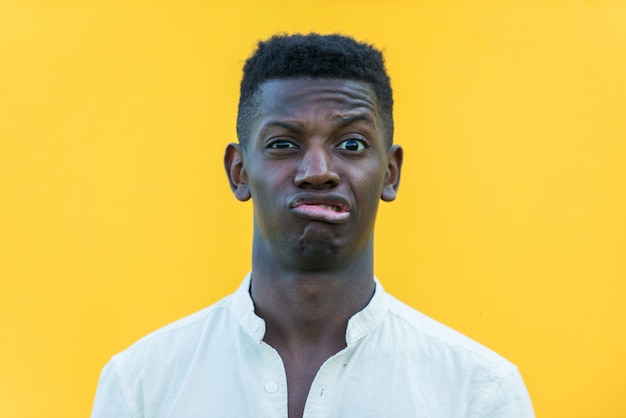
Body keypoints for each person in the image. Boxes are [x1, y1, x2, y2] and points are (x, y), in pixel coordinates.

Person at [91, 33, 535, 418]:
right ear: (239, 172)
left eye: (352, 143)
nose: (318, 170)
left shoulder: (478, 394)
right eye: (284, 144)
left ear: (390, 172)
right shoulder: (142, 386)